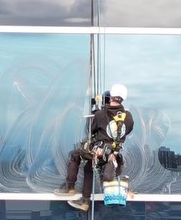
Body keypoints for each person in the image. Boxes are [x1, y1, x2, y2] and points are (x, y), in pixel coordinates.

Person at [55, 84, 134, 212]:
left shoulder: (100, 114)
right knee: (88, 168)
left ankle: (69, 187)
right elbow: (127, 131)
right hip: (113, 154)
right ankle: (85, 201)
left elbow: (91, 130)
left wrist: (95, 110)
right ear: (123, 98)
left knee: (75, 154)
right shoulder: (128, 117)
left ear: (110, 97)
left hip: (100, 151)